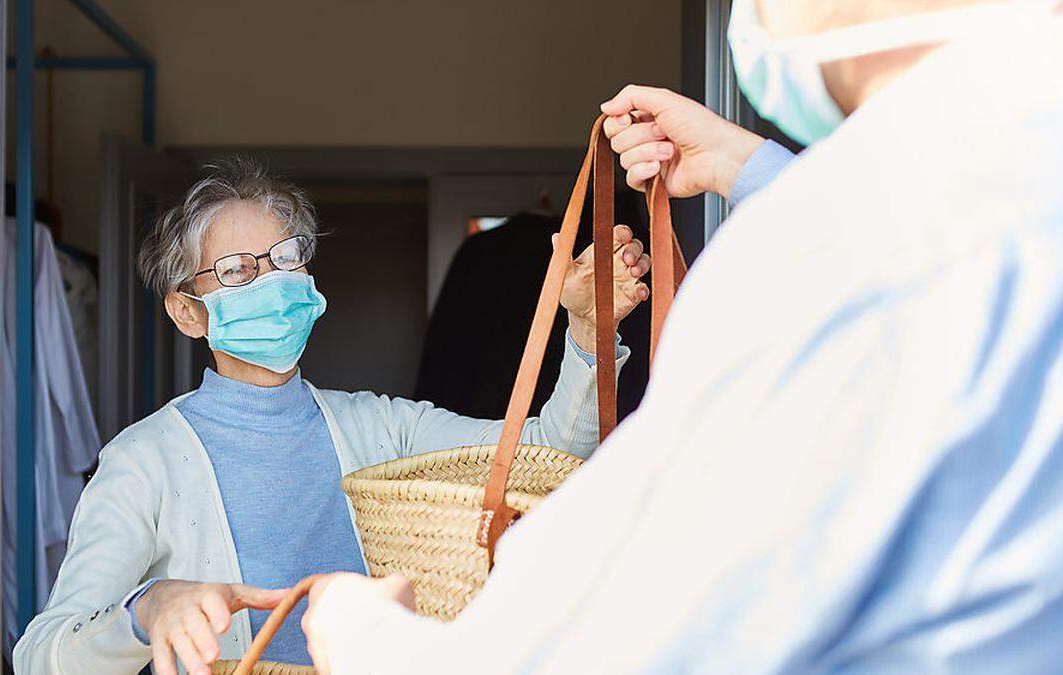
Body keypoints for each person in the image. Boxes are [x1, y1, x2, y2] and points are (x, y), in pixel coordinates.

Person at [300, 1, 1063, 672]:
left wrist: (368, 637)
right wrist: (748, 167)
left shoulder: (837, 257)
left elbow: (613, 645)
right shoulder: (993, 185)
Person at [12, 156, 655, 675]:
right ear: (188, 313)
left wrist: (588, 327)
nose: (271, 281)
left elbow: (551, 457)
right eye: (237, 271)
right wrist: (144, 609)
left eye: (285, 257)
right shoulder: (143, 461)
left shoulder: (381, 430)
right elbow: (41, 655)